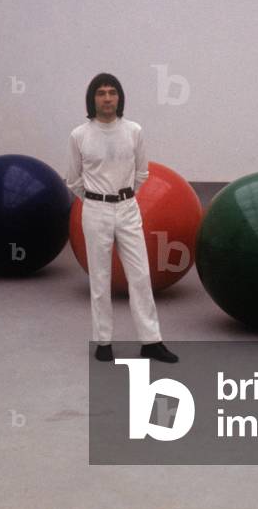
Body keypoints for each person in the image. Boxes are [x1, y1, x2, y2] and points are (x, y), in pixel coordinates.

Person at [66, 73, 178, 364]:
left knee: (140, 276)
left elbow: (142, 172)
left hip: (128, 209)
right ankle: (104, 342)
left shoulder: (133, 131)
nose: (107, 98)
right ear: (92, 99)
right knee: (100, 278)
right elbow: (73, 179)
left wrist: (125, 196)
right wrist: (95, 199)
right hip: (95, 211)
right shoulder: (80, 135)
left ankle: (151, 341)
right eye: (101, 93)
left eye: (112, 92)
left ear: (119, 97)